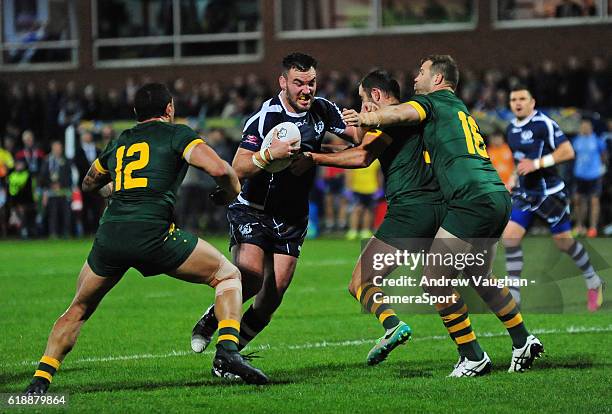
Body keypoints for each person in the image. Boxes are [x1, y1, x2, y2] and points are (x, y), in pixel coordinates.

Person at [24, 83, 268, 395]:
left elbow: (89, 182)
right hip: (154, 234)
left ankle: (39, 381)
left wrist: (115, 191)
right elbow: (220, 168)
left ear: (137, 114)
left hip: (111, 235)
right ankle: (228, 352)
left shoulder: (121, 140)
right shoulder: (177, 134)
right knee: (228, 276)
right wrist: (230, 193)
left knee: (78, 309)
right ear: (169, 109)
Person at [343, 55, 542, 377]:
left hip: (470, 199)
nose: (415, 78)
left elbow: (402, 112)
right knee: (479, 276)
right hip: (496, 194)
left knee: (434, 279)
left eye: (421, 72)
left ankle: (472, 356)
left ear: (437, 79)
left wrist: (366, 118)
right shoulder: (458, 107)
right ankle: (523, 339)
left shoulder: (431, 102)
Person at [190, 53, 360, 377]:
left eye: (311, 83)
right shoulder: (265, 117)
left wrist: (366, 119)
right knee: (251, 277)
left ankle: (228, 356)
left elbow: (360, 139)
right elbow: (237, 168)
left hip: (292, 216)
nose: (306, 90)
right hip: (253, 208)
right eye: (298, 83)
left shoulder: (323, 110)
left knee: (274, 294)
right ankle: (213, 318)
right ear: (283, 82)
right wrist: (268, 154)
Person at [297, 69, 446, 365]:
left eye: (364, 99)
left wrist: (312, 158)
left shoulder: (390, 117)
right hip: (438, 207)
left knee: (360, 282)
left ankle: (392, 325)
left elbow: (361, 157)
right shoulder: (410, 116)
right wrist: (319, 147)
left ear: (375, 96)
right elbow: (361, 146)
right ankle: (501, 343)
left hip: (410, 210)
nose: (363, 105)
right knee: (448, 283)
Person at [503, 88, 603, 312]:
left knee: (564, 242)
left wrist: (537, 164)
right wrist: (511, 178)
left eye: (522, 99)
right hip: (526, 194)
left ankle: (593, 280)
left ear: (532, 102)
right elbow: (519, 162)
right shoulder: (510, 129)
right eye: (513, 99)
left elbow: (567, 151)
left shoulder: (543, 124)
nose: (517, 103)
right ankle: (514, 297)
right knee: (510, 237)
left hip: (551, 194)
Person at [572, 118, 607, 238]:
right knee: (578, 200)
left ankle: (593, 228)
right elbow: (574, 156)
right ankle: (580, 226)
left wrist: (602, 167)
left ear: (591, 127)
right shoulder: (576, 140)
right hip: (579, 175)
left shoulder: (598, 140)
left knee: (594, 201)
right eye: (583, 126)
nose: (584, 128)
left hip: (594, 175)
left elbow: (604, 155)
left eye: (587, 126)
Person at [40, 141, 72, 238]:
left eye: (59, 148)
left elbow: (69, 175)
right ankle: (53, 233)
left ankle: (66, 233)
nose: (58, 150)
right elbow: (42, 176)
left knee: (65, 213)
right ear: (52, 149)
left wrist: (61, 185)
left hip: (63, 191)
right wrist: (51, 185)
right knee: (52, 214)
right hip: (51, 192)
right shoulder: (47, 160)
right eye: (56, 148)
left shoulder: (65, 161)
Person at [344, 158, 382, 240]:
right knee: (356, 210)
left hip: (372, 188)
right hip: (357, 188)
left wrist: (379, 188)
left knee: (369, 210)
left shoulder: (376, 161)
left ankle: (365, 230)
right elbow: (349, 173)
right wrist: (348, 188)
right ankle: (353, 231)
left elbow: (378, 174)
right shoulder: (355, 158)